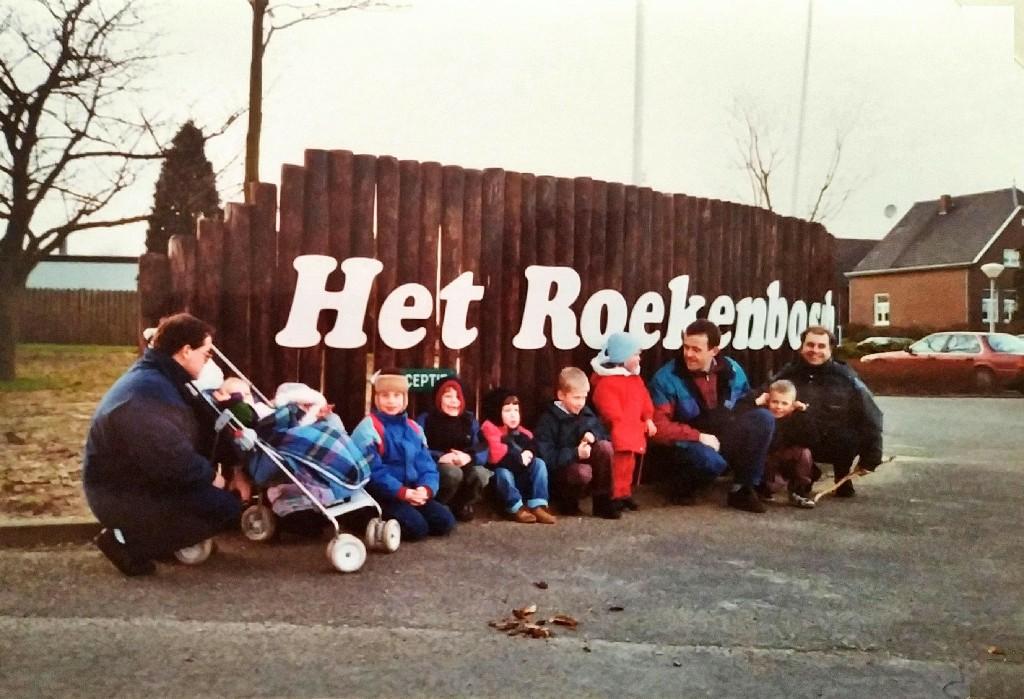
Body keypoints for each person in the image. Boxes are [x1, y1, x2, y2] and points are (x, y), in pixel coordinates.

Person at [82, 313, 242, 576]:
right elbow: (170, 457)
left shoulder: (160, 378)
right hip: (119, 494)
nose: (208, 359)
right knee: (225, 507)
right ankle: (128, 542)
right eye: (206, 353)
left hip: (129, 483)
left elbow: (200, 428)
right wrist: (214, 478)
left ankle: (158, 538)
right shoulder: (148, 392)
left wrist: (234, 465)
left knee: (217, 501)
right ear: (186, 351)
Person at [647, 319, 774, 513]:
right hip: (686, 445)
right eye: (686, 347)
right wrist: (698, 436)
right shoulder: (665, 378)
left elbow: (746, 403)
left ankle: (743, 488)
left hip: (721, 436)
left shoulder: (733, 370)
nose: (688, 354)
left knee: (763, 418)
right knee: (710, 461)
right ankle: (681, 489)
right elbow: (658, 427)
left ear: (714, 351)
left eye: (696, 350)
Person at [769, 326, 884, 497]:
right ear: (802, 347)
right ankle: (804, 475)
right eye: (810, 345)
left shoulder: (846, 377)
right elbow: (766, 396)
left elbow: (871, 415)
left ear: (831, 349)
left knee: (849, 435)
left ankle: (842, 475)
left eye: (821, 346)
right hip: (800, 439)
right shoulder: (788, 374)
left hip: (834, 441)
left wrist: (872, 456)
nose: (815, 350)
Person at [351, 369, 456, 541]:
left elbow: (427, 465)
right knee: (417, 529)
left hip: (412, 491)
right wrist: (402, 492)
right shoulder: (368, 429)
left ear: (404, 399)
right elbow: (373, 472)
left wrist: (425, 489)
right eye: (385, 395)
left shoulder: (414, 428)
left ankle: (408, 513)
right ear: (377, 398)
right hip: (384, 494)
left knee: (445, 522)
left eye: (397, 395)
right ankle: (363, 518)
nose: (391, 401)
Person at [589, 332, 657, 516]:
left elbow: (645, 399)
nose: (639, 358)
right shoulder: (607, 382)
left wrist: (648, 417)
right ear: (622, 356)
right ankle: (614, 495)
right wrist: (619, 423)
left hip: (633, 430)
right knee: (617, 466)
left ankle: (624, 493)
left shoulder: (635, 379)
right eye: (635, 354)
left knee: (629, 465)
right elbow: (608, 408)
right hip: (619, 432)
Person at [533, 367, 614, 518]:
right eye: (576, 398)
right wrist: (575, 453)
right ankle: (568, 503)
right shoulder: (548, 421)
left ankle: (603, 503)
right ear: (561, 395)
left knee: (605, 447)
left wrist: (593, 435)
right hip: (562, 473)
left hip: (584, 464)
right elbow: (547, 458)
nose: (581, 403)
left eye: (584, 397)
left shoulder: (586, 412)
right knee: (582, 472)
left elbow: (605, 435)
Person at [416, 376, 491, 522]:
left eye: (457, 397)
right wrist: (440, 457)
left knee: (481, 474)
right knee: (452, 473)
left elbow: (483, 446)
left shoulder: (469, 420)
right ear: (439, 398)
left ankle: (462, 505)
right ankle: (440, 505)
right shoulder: (426, 419)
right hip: (437, 465)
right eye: (448, 396)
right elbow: (418, 447)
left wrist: (468, 456)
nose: (453, 401)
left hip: (464, 462)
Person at [480, 388, 556, 524]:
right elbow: (496, 456)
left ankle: (538, 505)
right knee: (502, 472)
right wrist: (519, 459)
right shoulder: (490, 428)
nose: (513, 415)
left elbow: (533, 445)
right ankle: (516, 508)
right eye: (507, 411)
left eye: (516, 410)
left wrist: (529, 453)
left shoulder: (523, 432)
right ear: (496, 412)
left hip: (521, 478)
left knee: (539, 464)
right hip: (500, 485)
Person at [756, 379, 819, 509]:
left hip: (785, 458)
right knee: (774, 486)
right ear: (767, 400)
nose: (779, 407)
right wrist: (756, 403)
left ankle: (798, 491)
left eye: (784, 403)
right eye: (775, 402)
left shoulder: (796, 417)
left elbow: (812, 439)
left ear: (792, 405)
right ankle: (763, 488)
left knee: (804, 452)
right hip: (766, 460)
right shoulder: (761, 415)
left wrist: (803, 413)